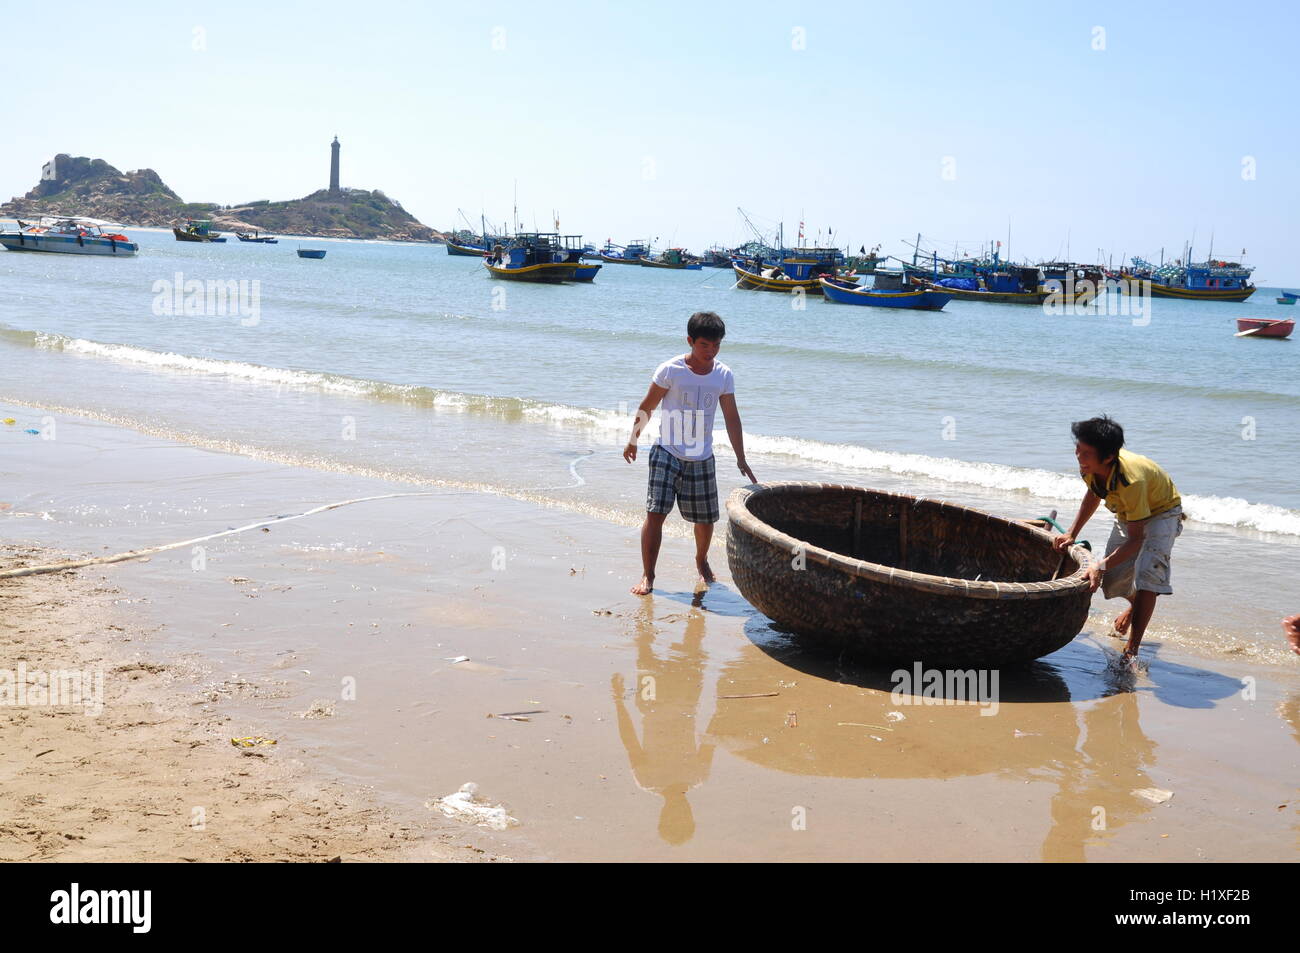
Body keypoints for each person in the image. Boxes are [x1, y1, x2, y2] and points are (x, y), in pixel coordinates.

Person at [624, 311, 756, 595]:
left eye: (716, 345)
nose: (711, 351)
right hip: (666, 451)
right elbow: (647, 405)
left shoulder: (723, 375)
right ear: (690, 341)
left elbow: (732, 417)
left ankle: (701, 560)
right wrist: (633, 439)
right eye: (704, 345)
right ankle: (648, 576)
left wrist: (741, 457)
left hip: (702, 456)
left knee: (706, 519)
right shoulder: (670, 370)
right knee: (655, 513)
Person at [1053, 416, 1184, 663]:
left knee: (1147, 578)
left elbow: (1136, 540)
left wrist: (1099, 564)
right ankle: (1137, 607)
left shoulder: (1131, 481)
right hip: (1130, 513)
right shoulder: (1090, 468)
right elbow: (1094, 494)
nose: (1079, 457)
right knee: (1112, 581)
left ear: (1109, 456)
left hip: (1162, 513)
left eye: (1086, 453)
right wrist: (1072, 532)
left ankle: (1132, 650)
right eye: (1078, 449)